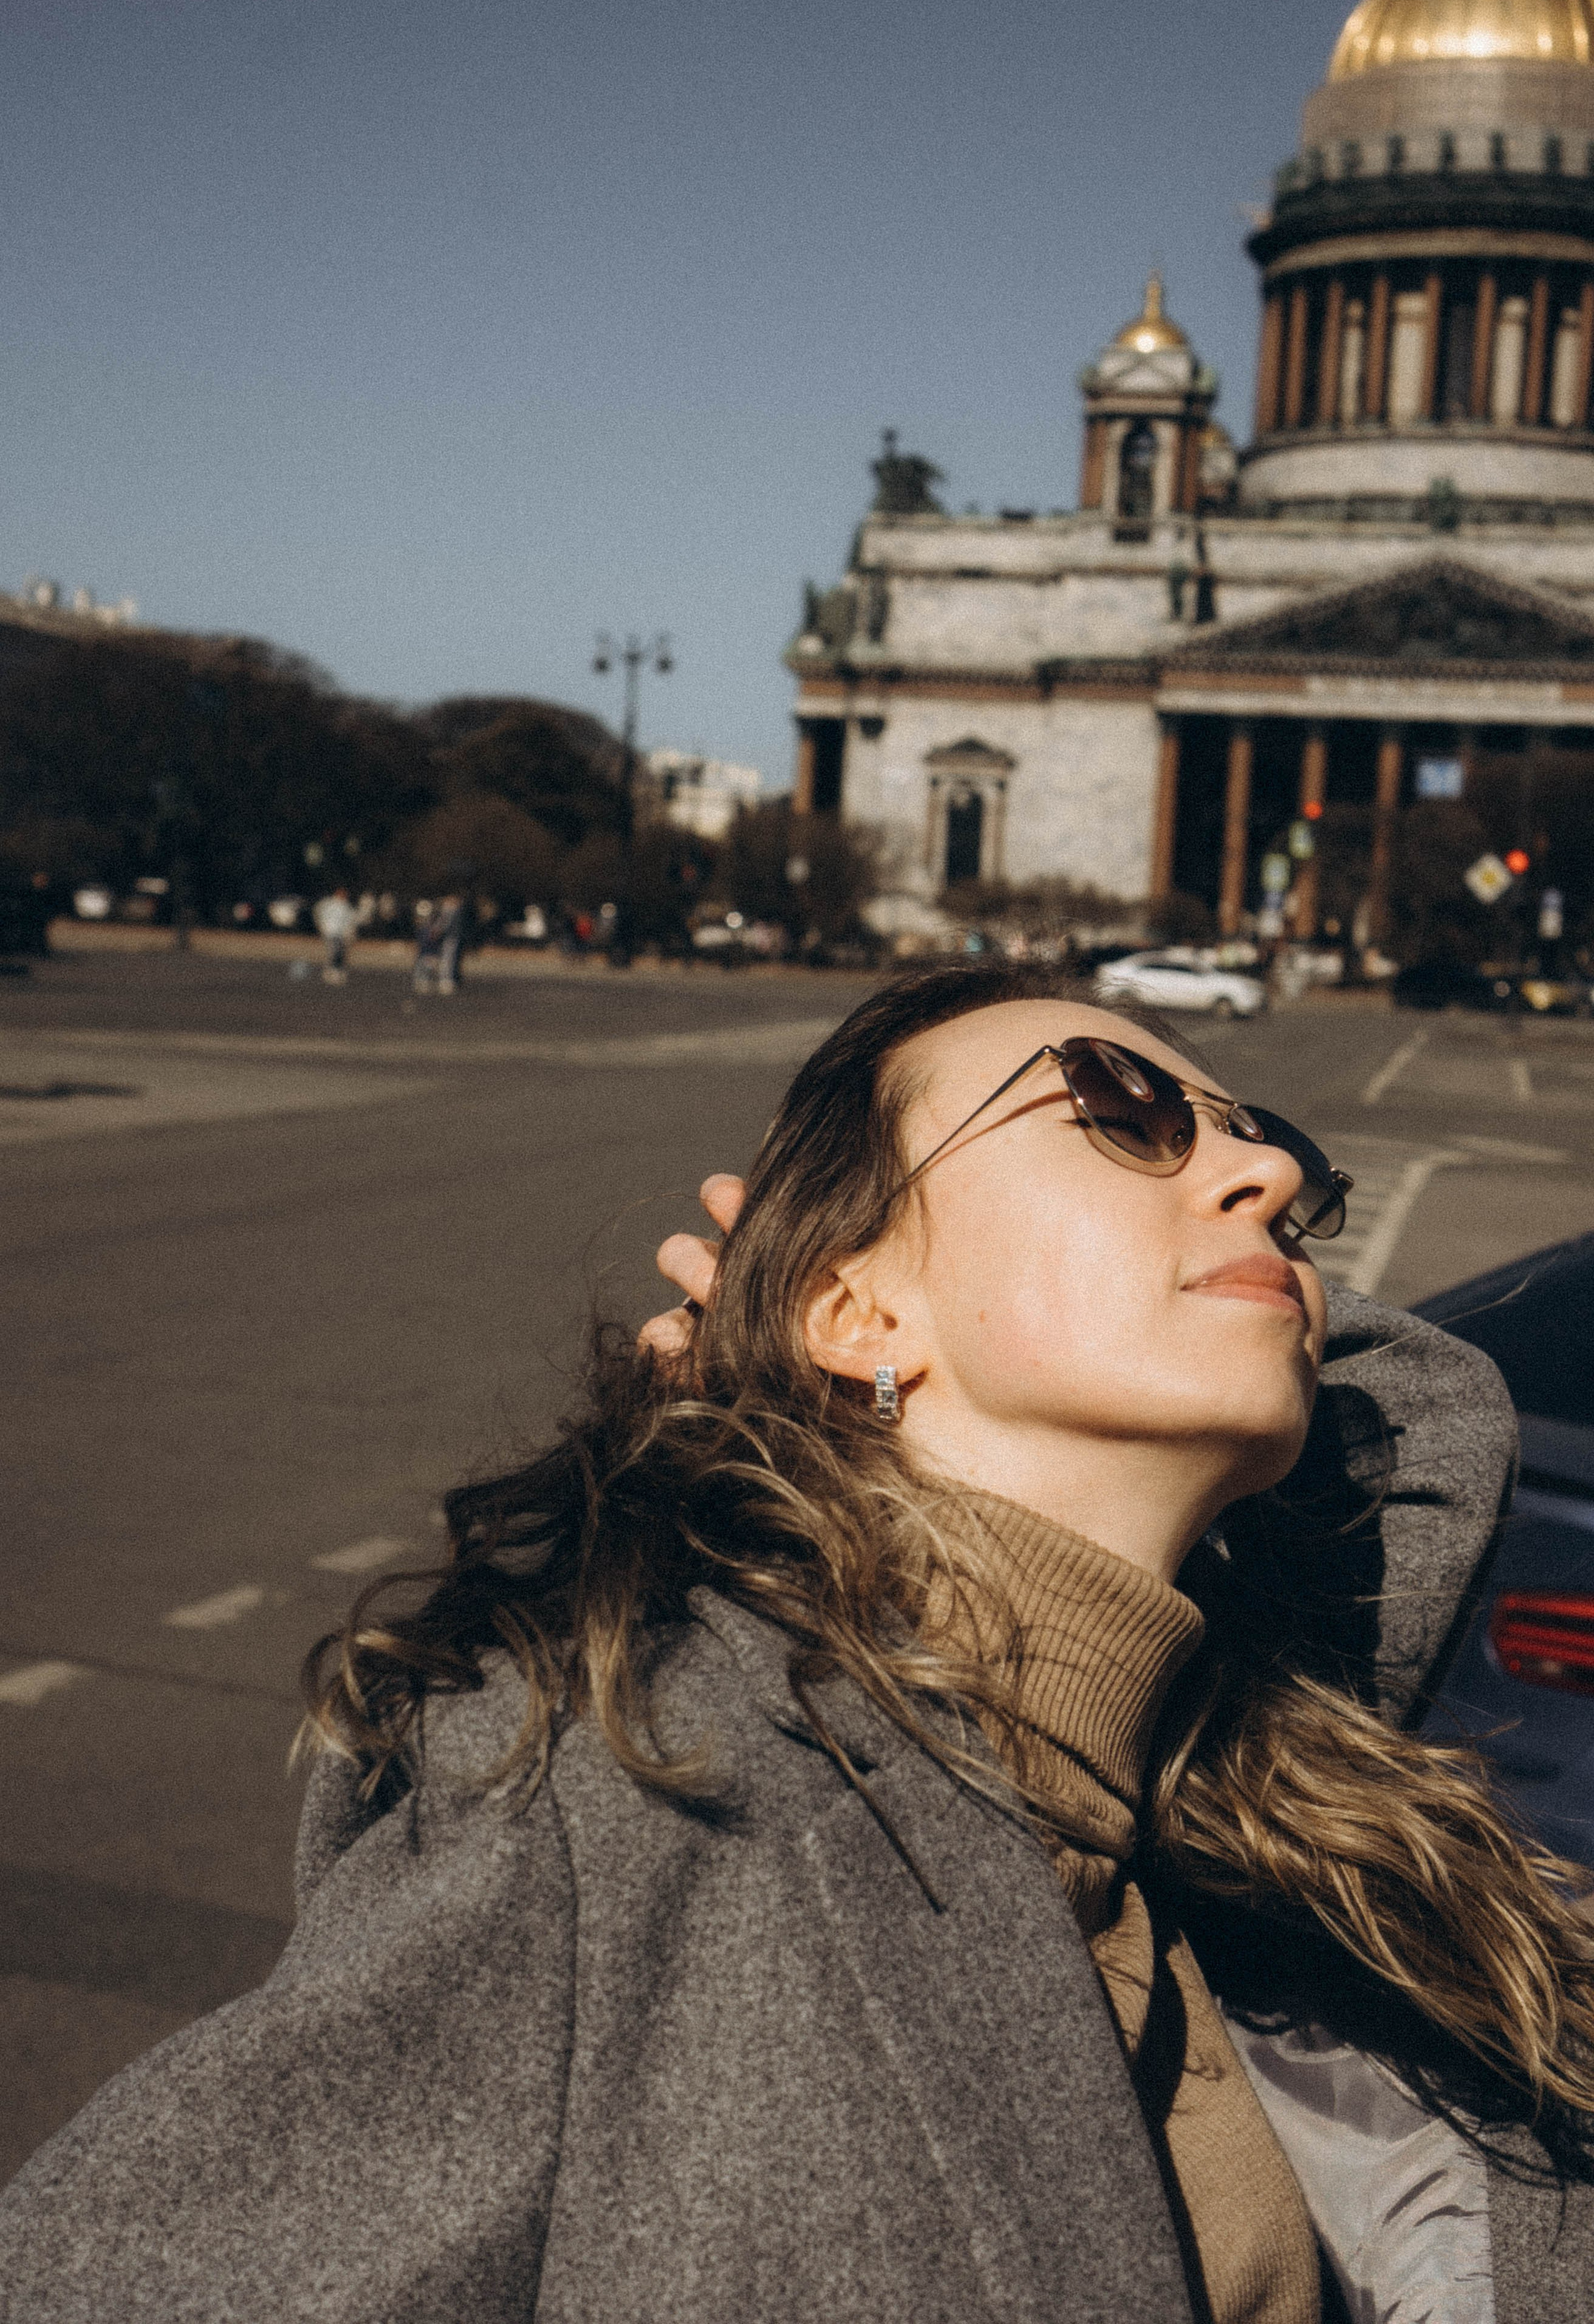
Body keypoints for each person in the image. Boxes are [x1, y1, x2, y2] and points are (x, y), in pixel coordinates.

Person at [2, 958, 1592, 2322]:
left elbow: (1429, 1418)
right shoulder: (636, 1796)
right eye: (1119, 1109)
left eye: (1268, 1145)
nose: (1256, 1176)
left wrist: (821, 1327)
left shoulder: (1227, 1794)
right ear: (859, 1312)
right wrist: (794, 1322)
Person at [310, 885, 359, 984]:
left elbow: (351, 920)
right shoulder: (328, 904)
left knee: (340, 953)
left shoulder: (346, 906)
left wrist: (350, 932)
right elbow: (318, 911)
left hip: (341, 933)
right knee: (334, 952)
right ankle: (332, 972)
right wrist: (321, 925)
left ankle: (337, 971)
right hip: (331, 932)